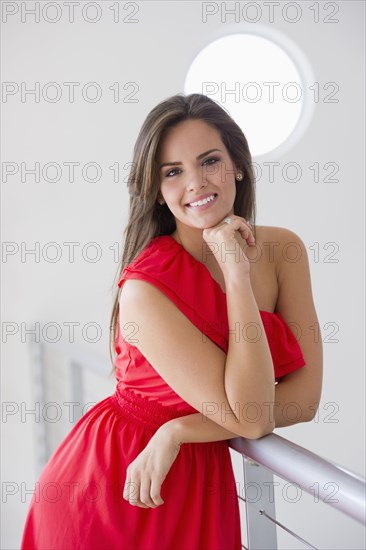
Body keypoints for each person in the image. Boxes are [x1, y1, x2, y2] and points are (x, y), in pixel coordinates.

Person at [21, 93, 323, 549]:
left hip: (187, 465)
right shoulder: (145, 289)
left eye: (210, 161)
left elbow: (303, 401)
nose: (196, 183)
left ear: (238, 164)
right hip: (119, 484)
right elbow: (256, 419)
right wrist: (237, 279)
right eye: (173, 171)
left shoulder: (284, 252)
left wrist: (180, 429)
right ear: (158, 190)